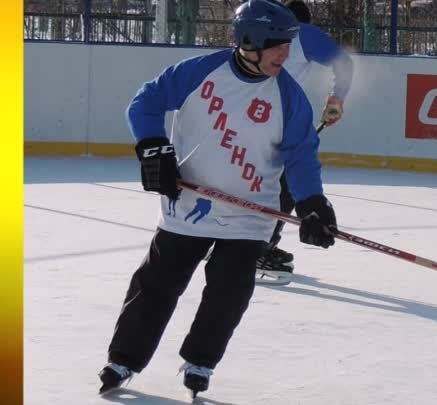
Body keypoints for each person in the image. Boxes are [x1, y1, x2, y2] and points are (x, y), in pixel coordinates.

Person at [98, 0, 338, 398]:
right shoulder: (199, 71)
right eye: (278, 44)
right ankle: (124, 357)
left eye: (288, 45)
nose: (286, 53)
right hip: (188, 205)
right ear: (250, 41)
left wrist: (312, 201)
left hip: (249, 215)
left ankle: (200, 360)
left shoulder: (290, 97)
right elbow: (145, 103)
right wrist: (153, 146)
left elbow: (301, 154)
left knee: (228, 293)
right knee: (156, 284)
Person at [254, 0, 353, 285]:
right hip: (278, 123)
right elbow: (343, 62)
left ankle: (238, 242)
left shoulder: (256, 35)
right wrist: (336, 99)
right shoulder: (301, 33)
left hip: (247, 117)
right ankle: (256, 249)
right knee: (283, 185)